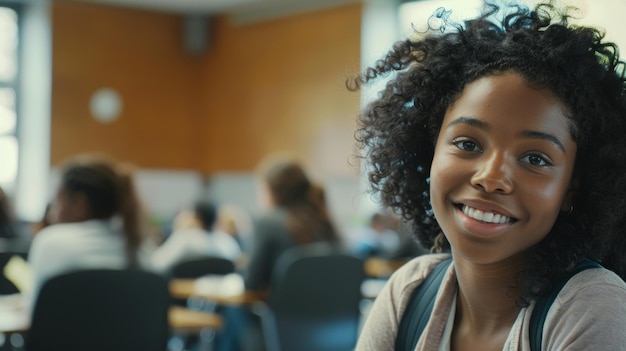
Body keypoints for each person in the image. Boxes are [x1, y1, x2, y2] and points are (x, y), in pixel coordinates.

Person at [350, 1, 626, 350]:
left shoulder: (589, 307)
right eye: (467, 143)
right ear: (429, 149)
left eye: (535, 158)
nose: (491, 177)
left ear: (571, 188)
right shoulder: (407, 294)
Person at [27, 154, 149, 306]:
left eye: (57, 201)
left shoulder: (50, 241)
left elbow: (34, 310)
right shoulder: (134, 244)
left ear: (79, 204)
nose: (52, 213)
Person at [150, 201, 242, 273]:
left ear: (197, 217)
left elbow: (157, 265)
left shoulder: (183, 239)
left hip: (181, 294)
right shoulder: (227, 242)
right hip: (218, 295)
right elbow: (237, 266)